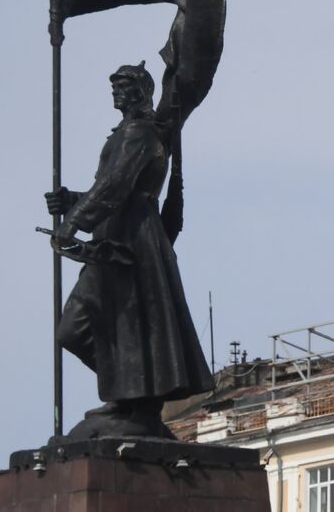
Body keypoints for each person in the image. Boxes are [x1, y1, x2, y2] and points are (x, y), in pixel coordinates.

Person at [46, 62, 212, 439]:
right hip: (112, 236)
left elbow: (117, 186)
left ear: (140, 91)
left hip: (133, 241)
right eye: (114, 87)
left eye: (122, 86)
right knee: (77, 329)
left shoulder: (140, 133)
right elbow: (109, 187)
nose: (115, 93)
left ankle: (139, 405)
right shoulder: (125, 133)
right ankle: (129, 394)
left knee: (126, 327)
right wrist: (70, 200)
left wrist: (73, 222)